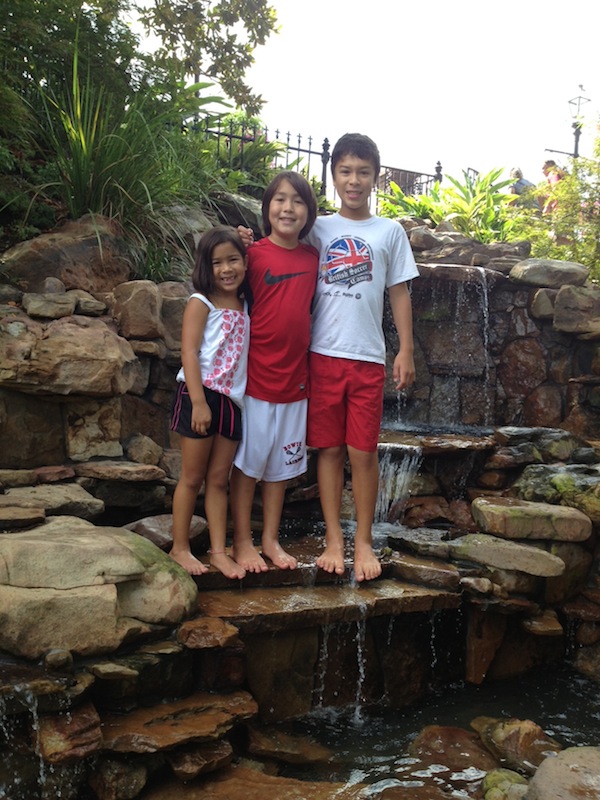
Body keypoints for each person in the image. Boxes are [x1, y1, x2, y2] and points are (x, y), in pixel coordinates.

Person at [305, 133, 419, 582]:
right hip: (321, 355)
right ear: (334, 175)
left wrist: (405, 350)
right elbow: (280, 244)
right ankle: (334, 538)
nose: (354, 181)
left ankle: (364, 539)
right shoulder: (318, 229)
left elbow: (399, 293)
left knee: (363, 452)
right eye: (346, 171)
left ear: (375, 177)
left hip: (368, 358)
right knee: (329, 450)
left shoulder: (389, 232)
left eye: (363, 172)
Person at [230, 171, 319, 573]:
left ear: (308, 212)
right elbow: (217, 274)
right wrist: (236, 242)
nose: (288, 208)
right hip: (258, 380)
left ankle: (270, 539)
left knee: (280, 471)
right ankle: (242, 541)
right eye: (280, 199)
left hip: (296, 384)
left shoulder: (312, 258)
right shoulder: (253, 256)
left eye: (298, 201)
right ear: (267, 208)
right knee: (249, 467)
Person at [169, 225, 250, 579]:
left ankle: (218, 551)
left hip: (232, 401)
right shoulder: (200, 301)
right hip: (199, 395)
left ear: (245, 263)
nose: (226, 269)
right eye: (217, 262)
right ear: (206, 266)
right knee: (192, 477)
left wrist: (249, 239)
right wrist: (199, 402)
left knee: (219, 479)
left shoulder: (246, 302)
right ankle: (180, 547)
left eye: (234, 260)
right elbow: (188, 350)